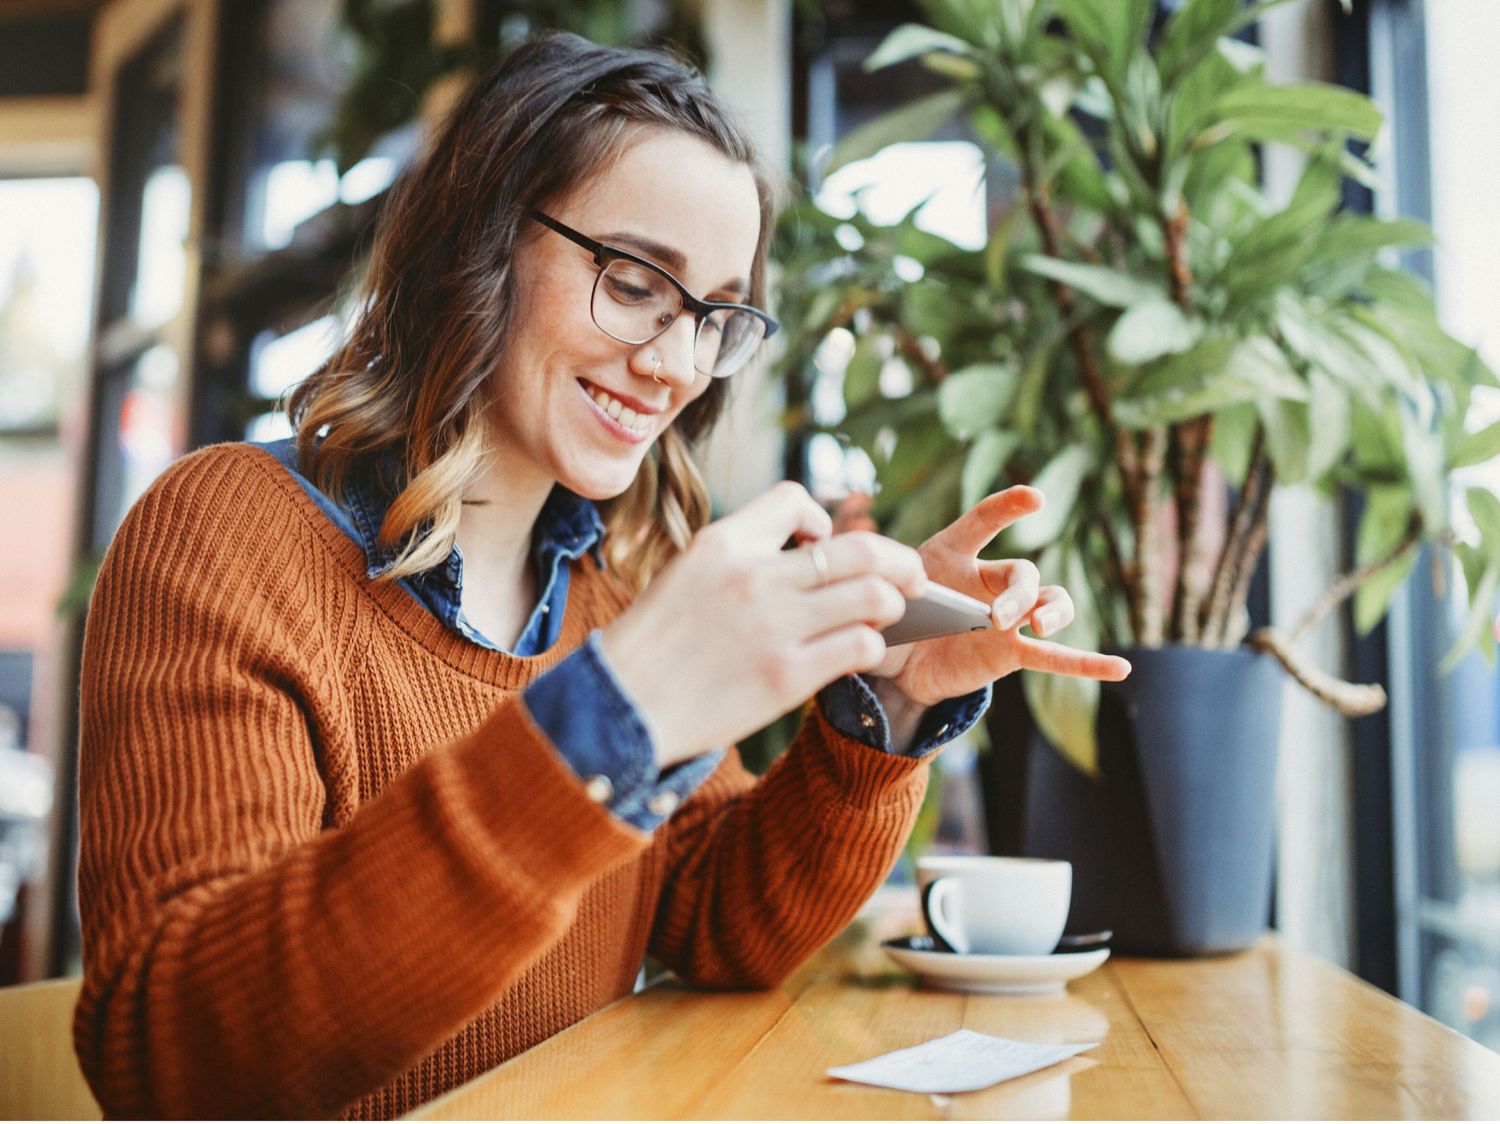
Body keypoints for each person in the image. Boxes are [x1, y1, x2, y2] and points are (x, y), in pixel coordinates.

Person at [71, 32, 1130, 1120]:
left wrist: (885, 708)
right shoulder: (229, 533)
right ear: (477, 244)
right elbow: (176, 1060)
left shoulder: (612, 582)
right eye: (632, 283)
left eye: (715, 315)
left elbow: (720, 919)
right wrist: (612, 715)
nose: (674, 363)